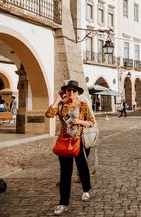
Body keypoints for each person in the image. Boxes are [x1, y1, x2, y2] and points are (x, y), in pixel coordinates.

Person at [45, 80, 95, 215]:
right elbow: (49, 114)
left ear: (77, 92)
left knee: (82, 166)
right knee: (65, 173)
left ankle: (86, 190)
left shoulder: (83, 105)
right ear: (65, 92)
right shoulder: (61, 106)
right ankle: (63, 203)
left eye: (73, 90)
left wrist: (78, 121)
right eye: (68, 90)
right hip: (64, 141)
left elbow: (91, 122)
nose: (71, 92)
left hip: (78, 141)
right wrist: (57, 100)